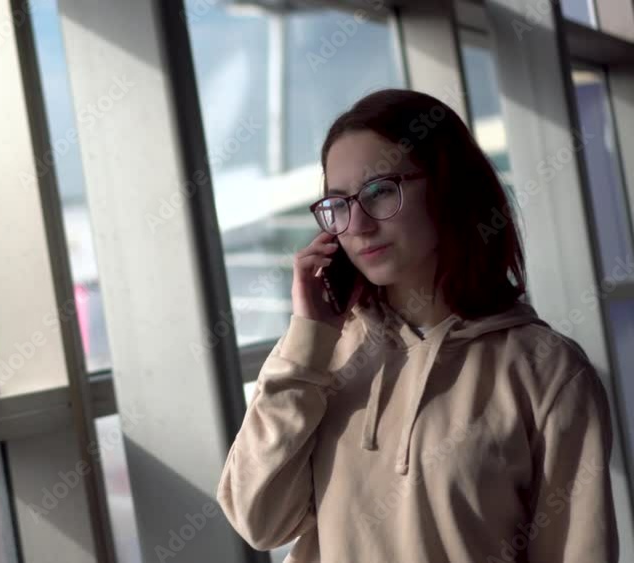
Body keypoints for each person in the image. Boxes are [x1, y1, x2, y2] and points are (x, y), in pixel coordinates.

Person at [216, 89, 619, 563]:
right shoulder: (322, 353)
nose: (358, 225)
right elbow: (259, 521)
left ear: (448, 187)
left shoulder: (547, 370)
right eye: (339, 203)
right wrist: (307, 338)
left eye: (380, 191)